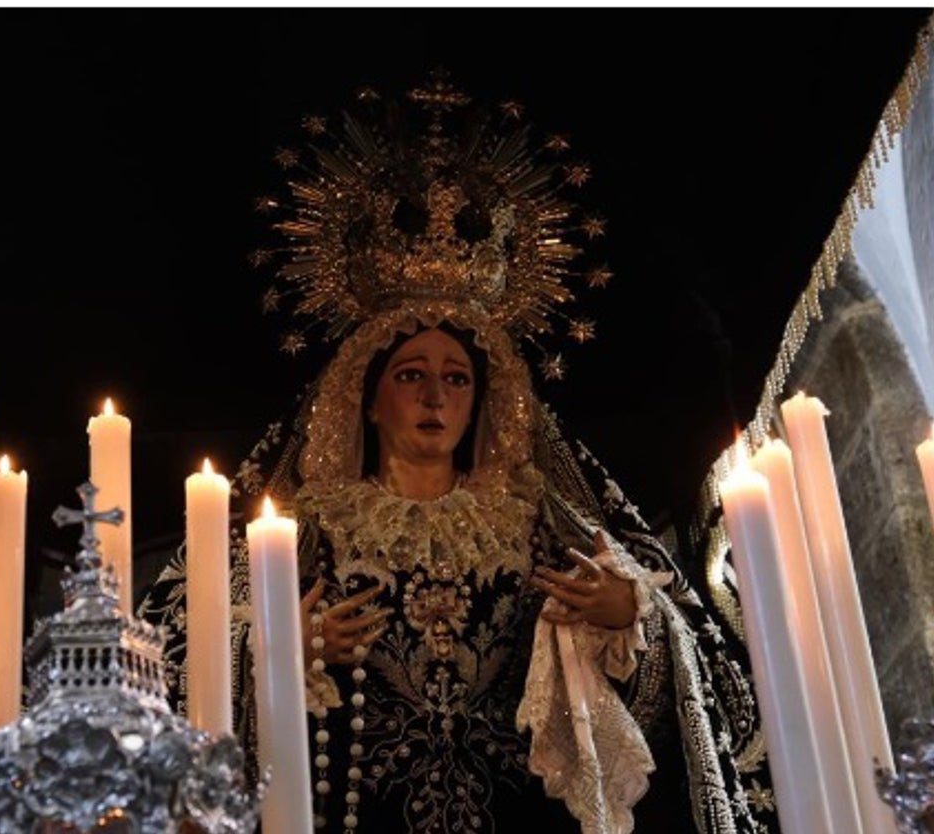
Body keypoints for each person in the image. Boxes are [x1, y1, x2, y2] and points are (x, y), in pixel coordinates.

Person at [138, 74, 780, 833]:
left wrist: (626, 618)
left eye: (456, 378)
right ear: (366, 396)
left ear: (488, 398)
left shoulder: (544, 518)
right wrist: (269, 651)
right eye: (411, 376)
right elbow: (169, 660)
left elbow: (707, 674)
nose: (435, 398)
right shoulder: (294, 528)